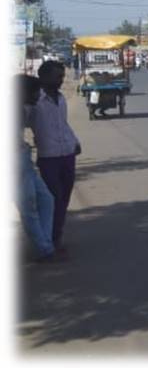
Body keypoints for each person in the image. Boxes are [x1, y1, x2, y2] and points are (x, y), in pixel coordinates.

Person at [29, 60, 81, 251]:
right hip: (48, 156)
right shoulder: (34, 101)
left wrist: (74, 141)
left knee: (64, 198)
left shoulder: (61, 99)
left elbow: (63, 124)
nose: (61, 80)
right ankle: (48, 239)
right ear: (43, 77)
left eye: (62, 76)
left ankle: (56, 236)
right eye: (57, 76)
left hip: (67, 153)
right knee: (53, 199)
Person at [18, 74, 58, 262]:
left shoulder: (23, 108)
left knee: (46, 199)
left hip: (23, 159)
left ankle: (46, 243)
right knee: (29, 206)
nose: (38, 95)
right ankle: (45, 248)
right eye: (35, 92)